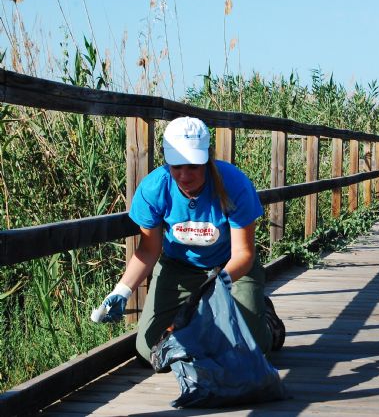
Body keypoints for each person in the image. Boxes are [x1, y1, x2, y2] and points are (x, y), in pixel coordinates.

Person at [91, 116, 285, 363]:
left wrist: (218, 283)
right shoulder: (154, 188)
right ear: (167, 161)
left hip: (230, 270)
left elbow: (244, 254)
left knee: (252, 350)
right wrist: (122, 290)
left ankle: (266, 320)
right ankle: (204, 330)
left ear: (207, 159)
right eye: (177, 166)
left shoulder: (234, 184)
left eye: (193, 165)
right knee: (150, 349)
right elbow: (149, 250)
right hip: (179, 268)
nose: (184, 175)